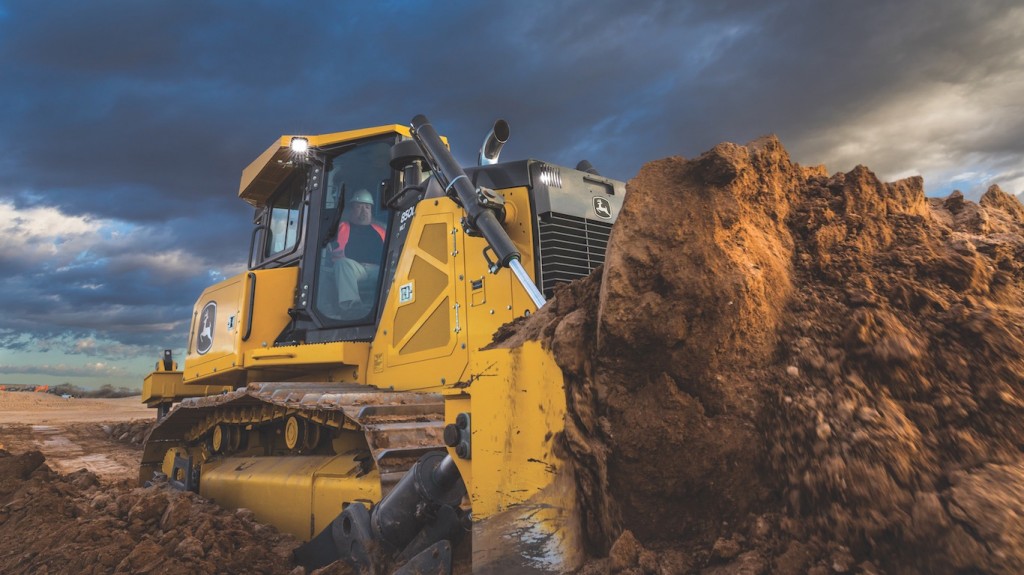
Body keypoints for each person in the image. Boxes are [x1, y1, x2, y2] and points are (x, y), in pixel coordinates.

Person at [331, 189, 385, 312]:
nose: (364, 211)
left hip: (379, 270)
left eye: (367, 207)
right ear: (352, 209)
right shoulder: (341, 227)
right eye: (359, 206)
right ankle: (352, 306)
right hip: (355, 269)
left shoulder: (381, 230)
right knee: (342, 264)